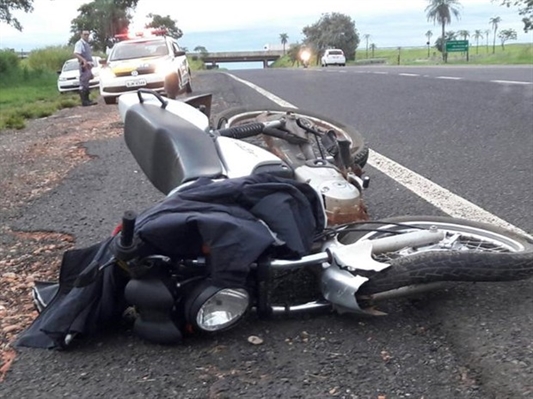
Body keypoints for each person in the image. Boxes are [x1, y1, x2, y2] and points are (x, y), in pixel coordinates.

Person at [73, 30, 97, 106]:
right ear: (81, 35)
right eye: (85, 34)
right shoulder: (79, 43)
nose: (86, 36)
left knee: (86, 83)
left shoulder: (86, 44)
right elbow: (76, 53)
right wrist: (84, 60)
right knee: (83, 83)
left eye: (87, 34)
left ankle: (87, 100)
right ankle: (84, 101)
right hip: (84, 65)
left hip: (88, 66)